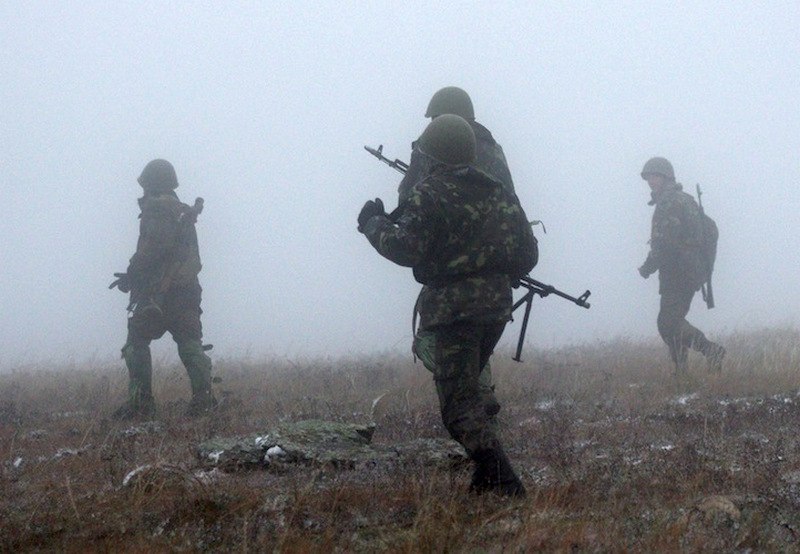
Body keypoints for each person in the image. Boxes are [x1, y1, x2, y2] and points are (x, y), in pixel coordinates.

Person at [358, 114, 534, 497]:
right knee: (470, 389)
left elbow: (406, 249)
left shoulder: (430, 192)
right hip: (495, 309)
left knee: (457, 407)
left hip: (453, 312)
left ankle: (502, 479)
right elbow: (528, 254)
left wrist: (373, 224)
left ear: (432, 154)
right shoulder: (499, 191)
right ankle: (486, 479)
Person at [400, 86, 517, 420]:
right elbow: (510, 202)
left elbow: (408, 201)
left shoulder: (431, 146)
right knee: (476, 335)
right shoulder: (493, 150)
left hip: (451, 269)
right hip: (495, 265)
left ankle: (473, 394)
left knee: (432, 340)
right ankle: (477, 394)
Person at [110, 159, 216, 418]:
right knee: (191, 344)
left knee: (136, 344)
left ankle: (140, 405)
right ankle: (204, 403)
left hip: (156, 294)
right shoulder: (182, 211)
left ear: (150, 184)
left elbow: (153, 249)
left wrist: (131, 275)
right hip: (188, 292)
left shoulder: (157, 209)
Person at [638, 157, 725, 374]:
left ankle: (710, 351)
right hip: (689, 270)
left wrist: (648, 267)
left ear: (666, 177)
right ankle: (682, 371)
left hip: (680, 271)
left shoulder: (669, 202)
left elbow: (664, 242)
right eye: (648, 177)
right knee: (668, 323)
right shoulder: (681, 199)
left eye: (655, 176)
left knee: (669, 322)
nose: (650, 181)